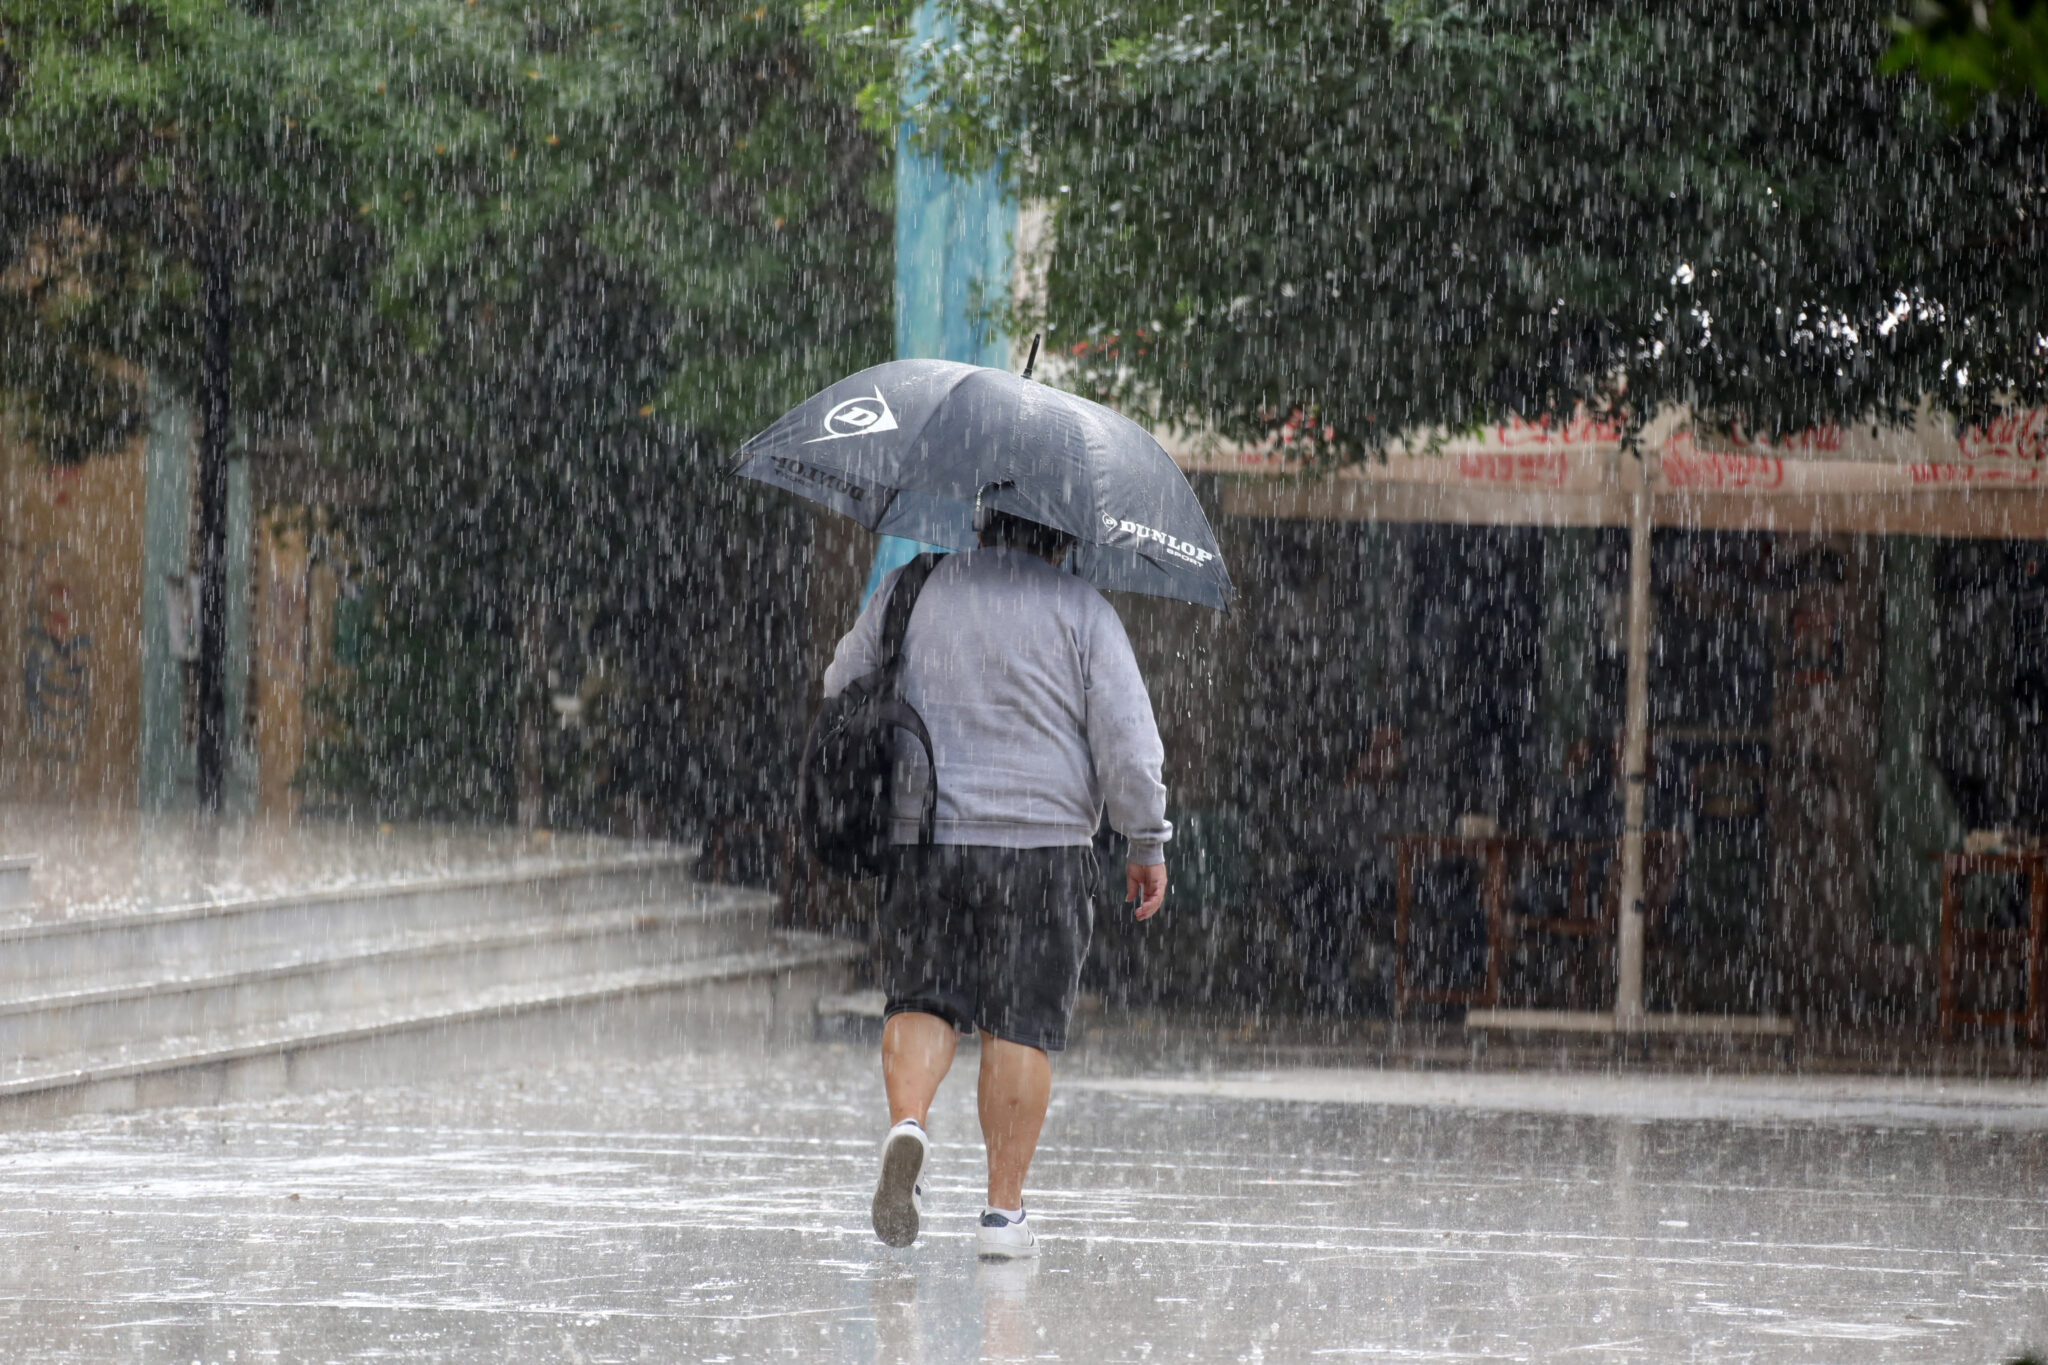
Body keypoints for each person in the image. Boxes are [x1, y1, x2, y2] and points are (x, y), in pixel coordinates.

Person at [821, 510, 1171, 1259]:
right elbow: (1130, 749)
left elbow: (840, 681)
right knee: (1019, 1024)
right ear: (1066, 536)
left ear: (978, 519)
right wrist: (1146, 838)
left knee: (922, 996)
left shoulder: (911, 588)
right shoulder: (1086, 612)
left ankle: (909, 1123)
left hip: (927, 835)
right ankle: (1001, 1215)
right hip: (1042, 852)